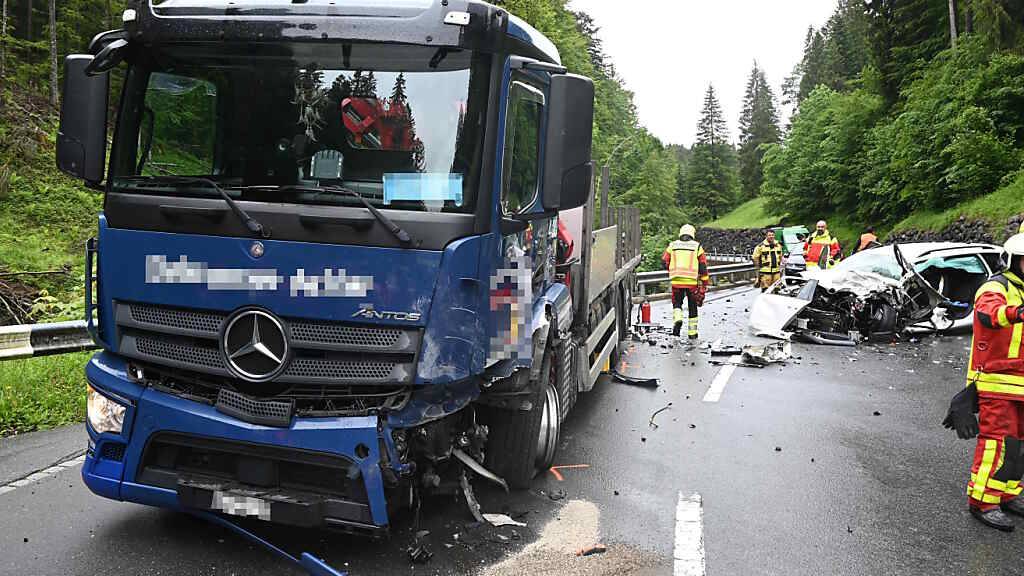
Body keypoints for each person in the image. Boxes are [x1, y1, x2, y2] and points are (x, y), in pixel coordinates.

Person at [954, 233, 1024, 531]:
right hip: (998, 381)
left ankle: (1008, 493)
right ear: (1012, 261)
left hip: (1020, 383)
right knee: (997, 443)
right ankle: (982, 500)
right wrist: (1016, 313)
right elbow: (987, 315)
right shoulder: (997, 286)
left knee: (1018, 445)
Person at [662, 224, 710, 339]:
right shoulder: (697, 247)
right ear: (692, 234)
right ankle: (692, 333)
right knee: (692, 306)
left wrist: (672, 269)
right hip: (691, 282)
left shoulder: (672, 245)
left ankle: (677, 321)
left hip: (676, 281)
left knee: (677, 303)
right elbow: (703, 267)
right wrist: (704, 283)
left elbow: (664, 261)